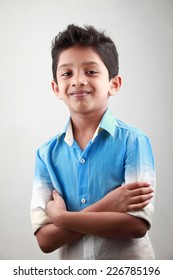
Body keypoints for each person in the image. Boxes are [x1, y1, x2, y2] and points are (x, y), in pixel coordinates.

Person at [31, 24, 155, 259]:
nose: (78, 81)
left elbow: (136, 226)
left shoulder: (133, 141)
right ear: (56, 88)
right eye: (67, 73)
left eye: (90, 71)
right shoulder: (46, 154)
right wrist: (110, 204)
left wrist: (63, 218)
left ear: (114, 84)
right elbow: (45, 240)